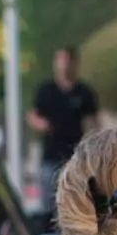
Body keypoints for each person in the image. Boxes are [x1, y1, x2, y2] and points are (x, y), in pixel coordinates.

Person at [28, 44, 103, 183]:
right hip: (51, 157)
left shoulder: (84, 92)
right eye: (60, 60)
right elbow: (32, 115)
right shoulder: (46, 91)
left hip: (75, 158)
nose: (63, 65)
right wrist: (44, 125)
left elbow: (93, 122)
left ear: (75, 63)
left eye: (66, 60)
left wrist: (93, 145)